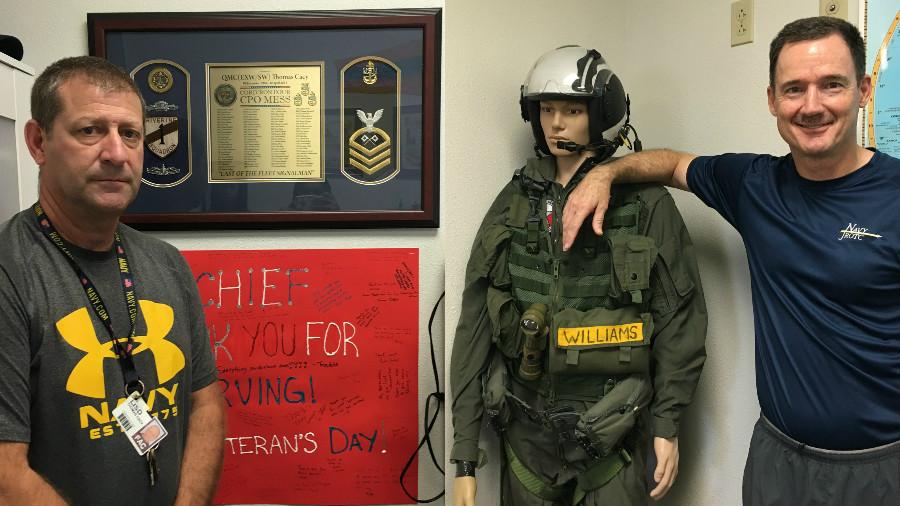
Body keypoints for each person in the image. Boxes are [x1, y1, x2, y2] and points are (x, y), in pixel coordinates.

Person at [561, 16, 900, 506]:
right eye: (793, 89)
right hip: (777, 462)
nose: (811, 106)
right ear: (771, 101)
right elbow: (674, 163)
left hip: (880, 469)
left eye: (832, 85)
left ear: (864, 90)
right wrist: (605, 174)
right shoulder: (754, 185)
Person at [449, 45, 707, 505]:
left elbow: (679, 322)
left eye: (572, 110)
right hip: (525, 440)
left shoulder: (645, 205)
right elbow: (475, 324)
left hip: (612, 437)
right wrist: (465, 451)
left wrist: (667, 423)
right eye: (547, 110)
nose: (556, 124)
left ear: (601, 113)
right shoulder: (515, 203)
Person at [0, 56, 225, 505]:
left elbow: (206, 404)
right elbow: (5, 474)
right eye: (89, 130)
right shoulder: (11, 272)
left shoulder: (167, 263)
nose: (116, 153)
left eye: (130, 134)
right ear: (38, 141)